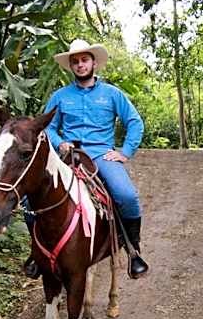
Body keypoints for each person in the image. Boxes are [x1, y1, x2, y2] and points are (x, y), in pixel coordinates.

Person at [27, 38, 149, 279]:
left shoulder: (112, 94)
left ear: (94, 63)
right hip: (67, 156)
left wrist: (125, 152)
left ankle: (133, 249)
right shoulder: (60, 96)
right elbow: (46, 126)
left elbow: (134, 122)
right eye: (75, 62)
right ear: (71, 66)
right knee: (28, 200)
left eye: (84, 60)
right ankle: (36, 253)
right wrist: (59, 142)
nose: (80, 65)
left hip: (101, 155)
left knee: (127, 196)